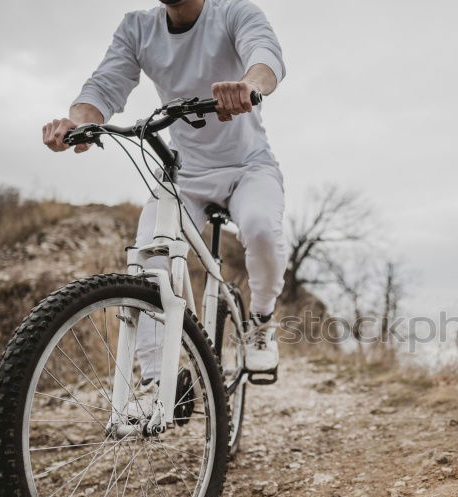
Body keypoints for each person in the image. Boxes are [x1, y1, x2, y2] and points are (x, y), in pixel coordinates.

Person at [41, 0, 285, 384]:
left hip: (248, 167)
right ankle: (160, 381)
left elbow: (265, 53)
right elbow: (105, 84)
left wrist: (250, 86)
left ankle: (261, 321)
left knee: (261, 229)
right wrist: (77, 122)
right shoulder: (138, 28)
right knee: (150, 256)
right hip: (185, 172)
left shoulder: (234, 12)